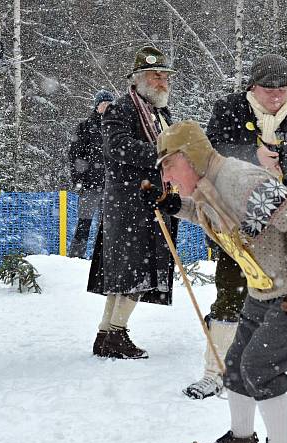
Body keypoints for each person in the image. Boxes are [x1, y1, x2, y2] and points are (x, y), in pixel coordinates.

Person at [148, 120, 287, 443]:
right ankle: (241, 439)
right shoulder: (208, 185)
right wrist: (177, 206)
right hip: (265, 284)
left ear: (190, 158)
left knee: (260, 365)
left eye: (168, 166)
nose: (166, 175)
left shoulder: (241, 180)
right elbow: (216, 217)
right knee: (235, 364)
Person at [182, 53, 287, 399]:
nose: (277, 96)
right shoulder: (229, 109)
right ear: (252, 87)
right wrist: (251, 157)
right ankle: (214, 372)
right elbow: (211, 156)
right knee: (230, 294)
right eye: (269, 89)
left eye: (284, 89)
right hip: (238, 221)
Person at [86, 46, 176, 359]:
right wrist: (163, 155)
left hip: (151, 202)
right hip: (129, 204)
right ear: (138, 80)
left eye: (165, 75)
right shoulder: (121, 110)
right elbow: (118, 148)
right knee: (130, 274)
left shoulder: (160, 113)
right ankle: (115, 334)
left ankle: (108, 333)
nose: (163, 81)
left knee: (128, 274)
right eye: (157, 75)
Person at [67, 89, 115, 258]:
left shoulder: (118, 128)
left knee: (109, 225)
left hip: (112, 186)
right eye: (103, 104)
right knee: (84, 222)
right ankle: (76, 257)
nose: (107, 107)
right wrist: (78, 181)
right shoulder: (85, 127)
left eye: (110, 104)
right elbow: (76, 157)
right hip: (90, 185)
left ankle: (103, 258)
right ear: (97, 106)